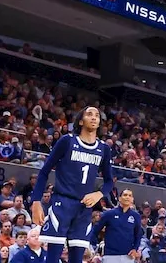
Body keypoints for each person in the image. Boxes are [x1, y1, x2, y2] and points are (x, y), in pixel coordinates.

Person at [30, 107, 114, 263]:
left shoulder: (104, 148)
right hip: (63, 203)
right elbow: (44, 172)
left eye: (97, 115)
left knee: (77, 259)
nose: (94, 117)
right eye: (89, 114)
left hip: (84, 209)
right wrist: (36, 201)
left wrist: (99, 194)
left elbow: (109, 181)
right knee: (52, 258)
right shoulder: (67, 141)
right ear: (81, 121)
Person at [92, 189, 144, 263]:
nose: (127, 197)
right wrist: (95, 247)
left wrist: (135, 249)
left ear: (132, 200)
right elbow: (95, 230)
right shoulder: (109, 214)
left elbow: (138, 236)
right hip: (110, 256)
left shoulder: (136, 216)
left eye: (130, 195)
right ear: (119, 198)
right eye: (125, 195)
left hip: (128, 256)